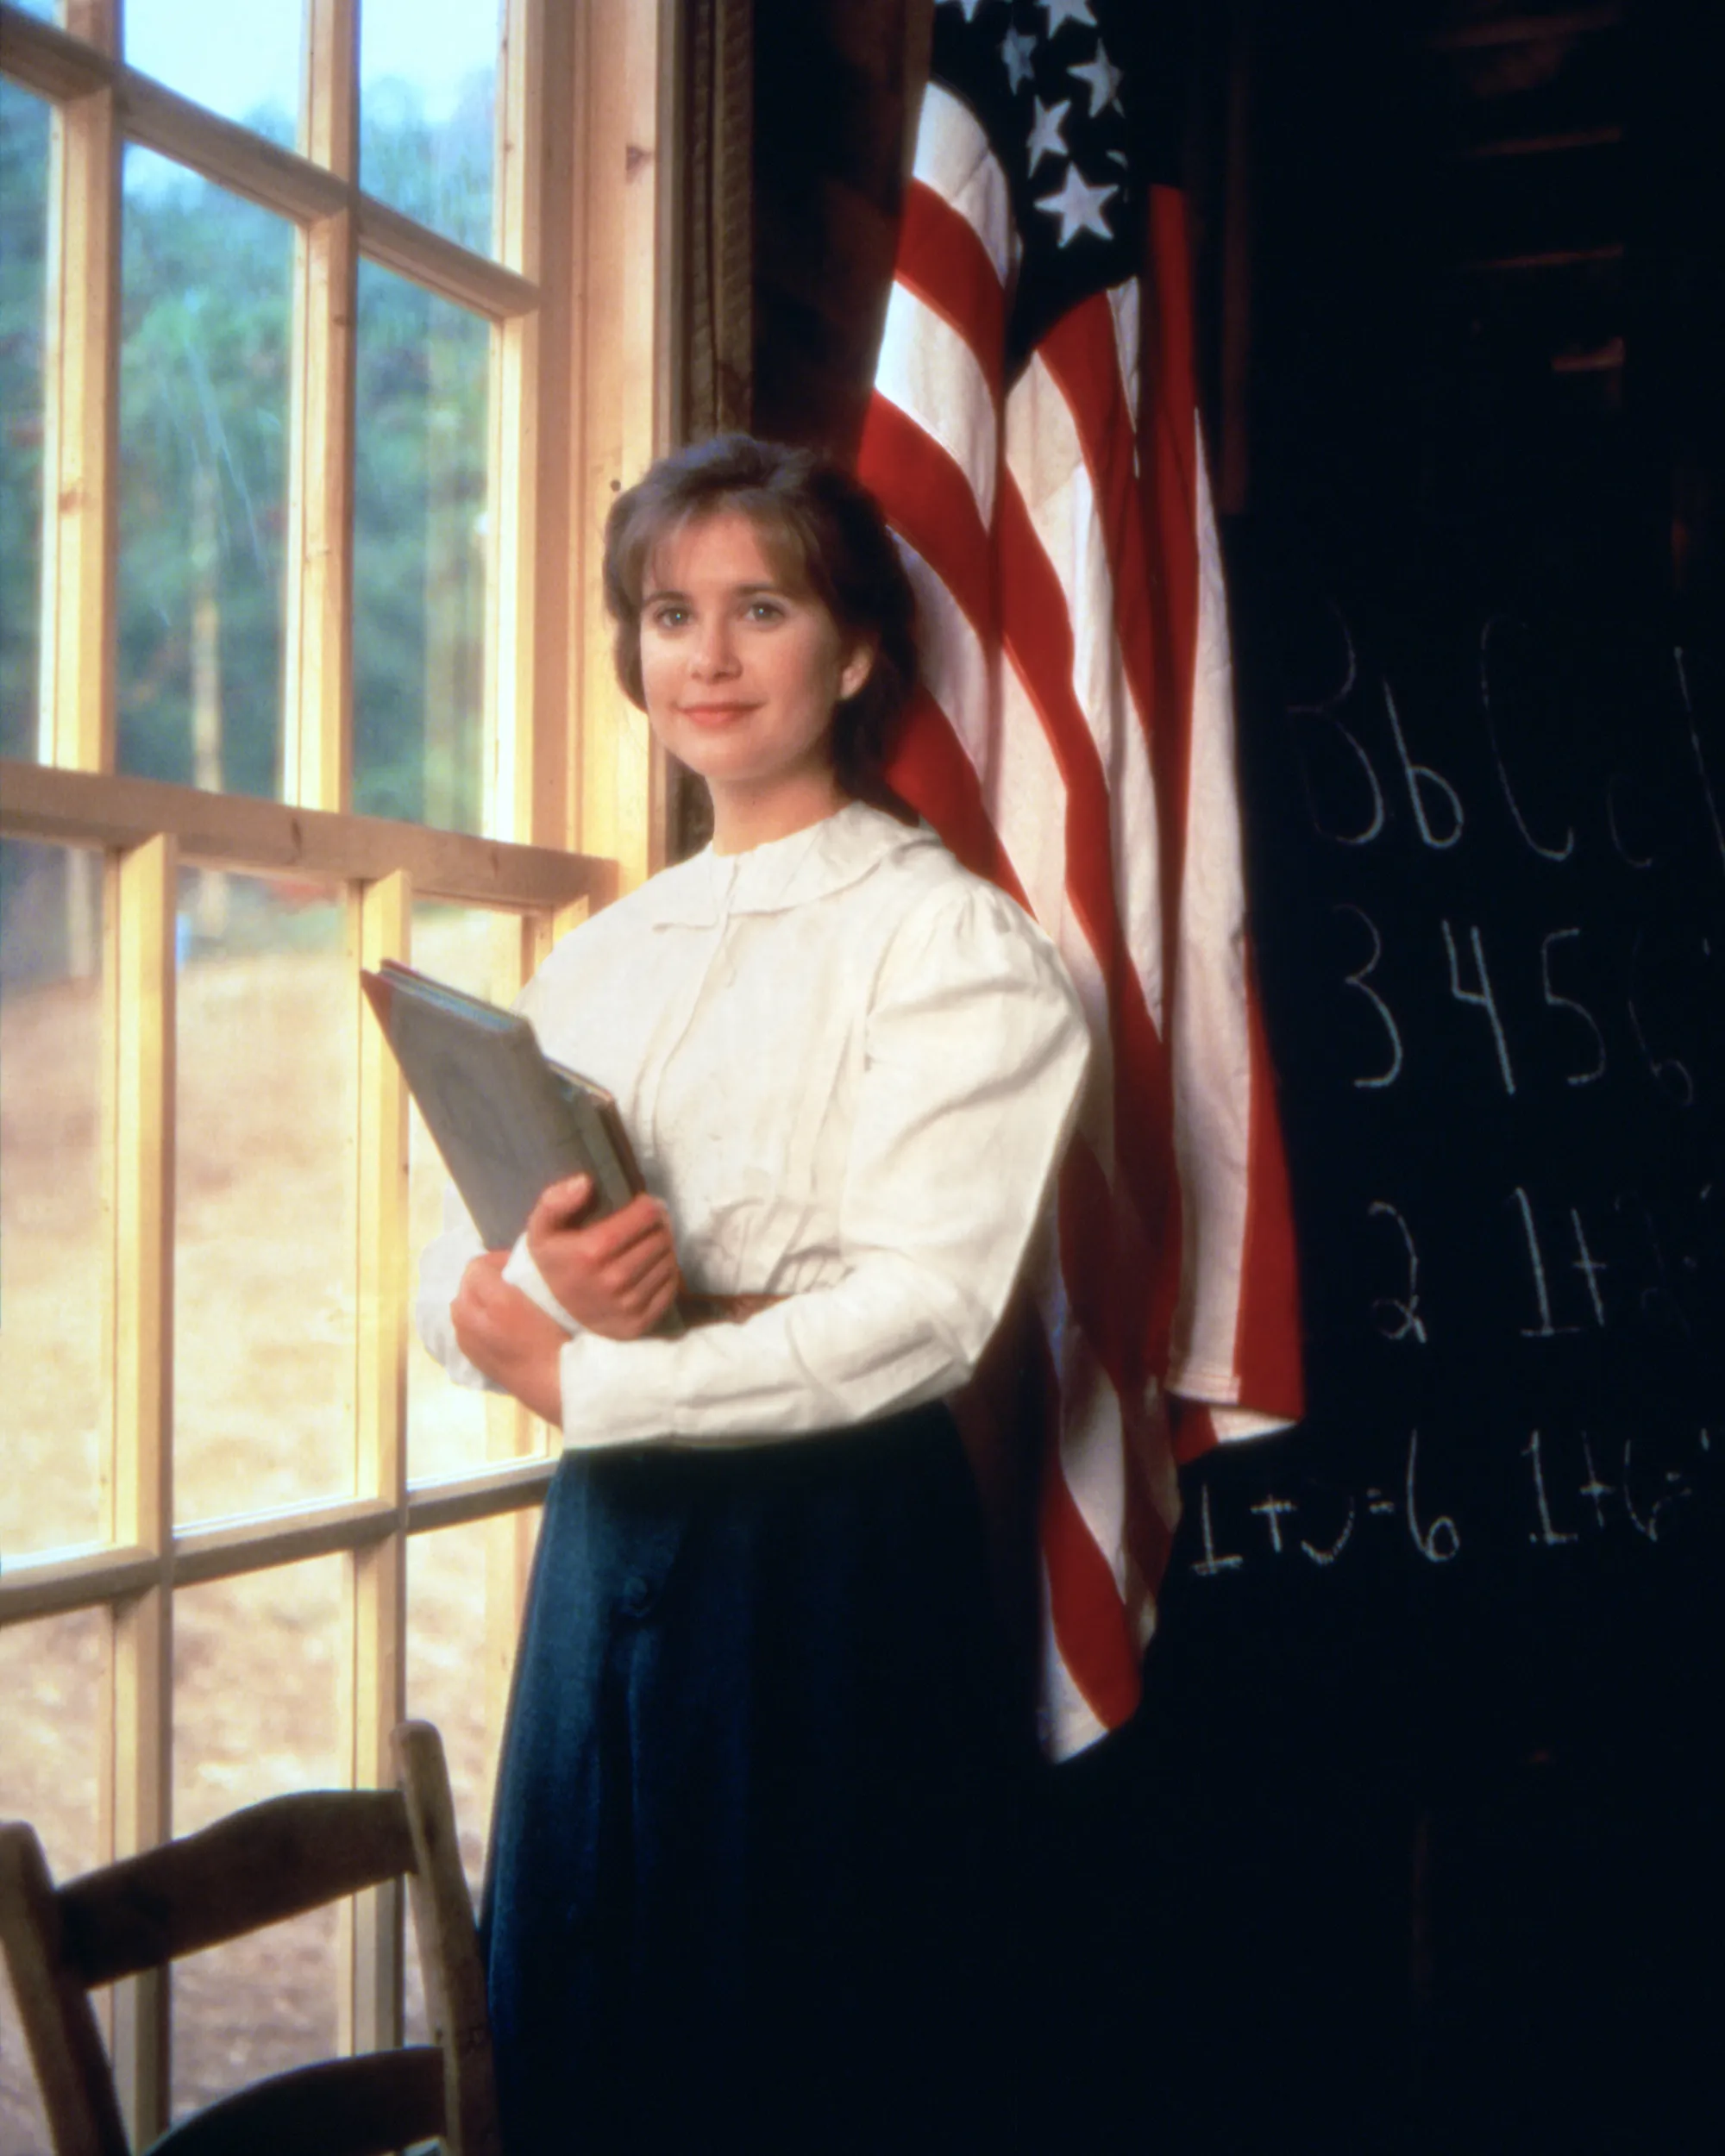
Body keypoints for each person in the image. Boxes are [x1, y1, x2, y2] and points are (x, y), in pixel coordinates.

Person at [417, 434, 1089, 2153]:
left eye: (759, 608)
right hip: (612, 1546)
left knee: (796, 2047)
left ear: (853, 652)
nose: (704, 659)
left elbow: (924, 1310)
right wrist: (537, 1294)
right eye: (667, 613)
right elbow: (482, 1267)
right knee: (588, 2002)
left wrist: (594, 1376)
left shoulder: (955, 948)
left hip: (831, 1561)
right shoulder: (600, 955)